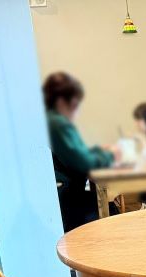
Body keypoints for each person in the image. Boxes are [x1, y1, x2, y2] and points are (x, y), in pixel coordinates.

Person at [43, 72, 118, 232]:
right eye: (75, 104)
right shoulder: (58, 123)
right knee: (112, 211)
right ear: (61, 101)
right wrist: (111, 155)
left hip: (58, 197)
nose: (77, 110)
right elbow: (86, 163)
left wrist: (98, 151)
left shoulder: (49, 119)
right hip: (66, 202)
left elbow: (76, 153)